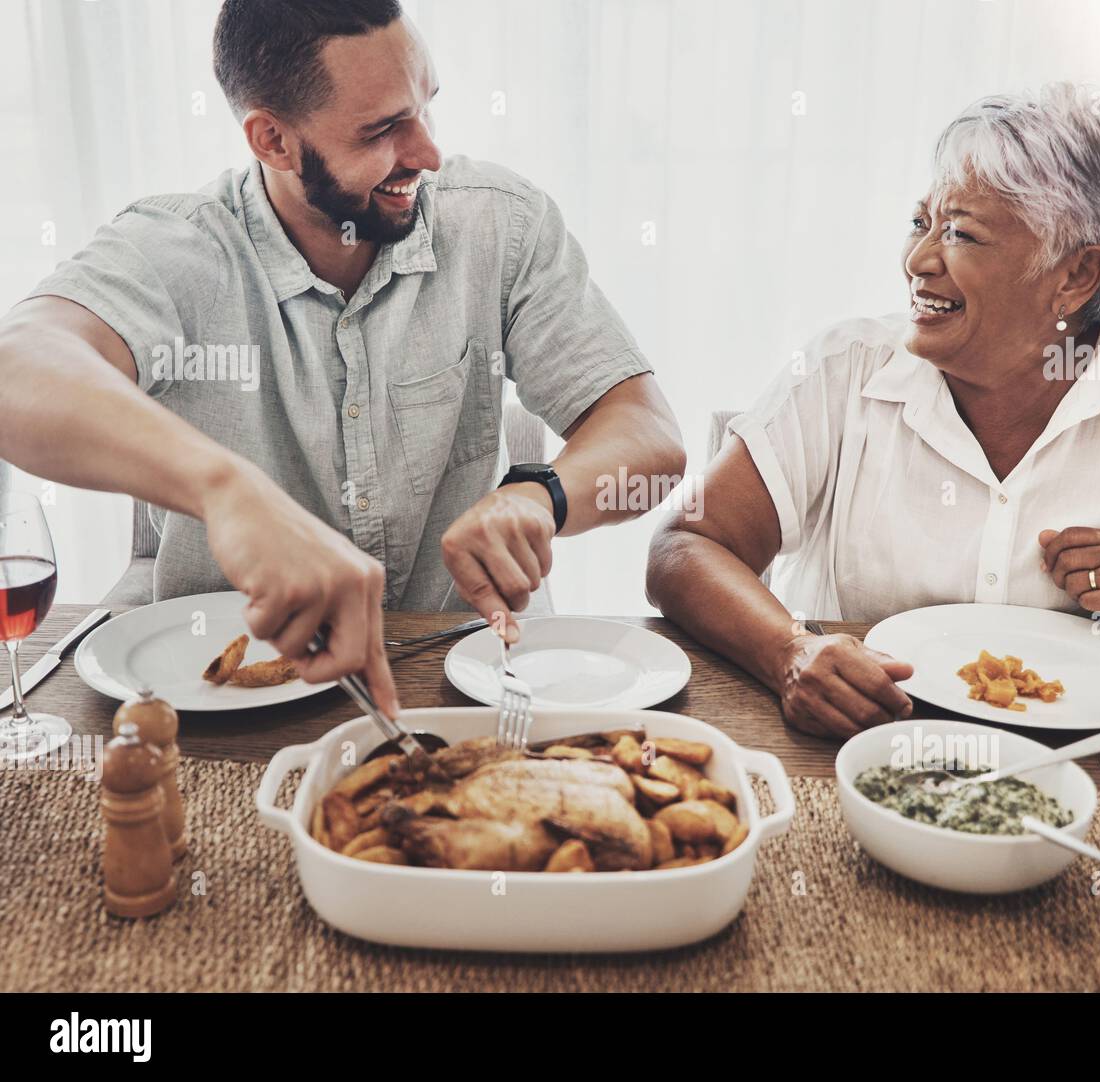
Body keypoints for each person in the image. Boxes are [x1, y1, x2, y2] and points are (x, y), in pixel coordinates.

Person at [0, 0, 685, 717]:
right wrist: (229, 493)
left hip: (466, 677)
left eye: (425, 108)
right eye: (384, 128)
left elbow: (649, 433)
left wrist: (541, 496)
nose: (427, 153)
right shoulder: (175, 251)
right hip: (220, 699)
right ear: (273, 140)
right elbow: (19, 366)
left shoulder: (500, 224)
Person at [647, 83, 1100, 741]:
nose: (917, 260)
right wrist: (789, 649)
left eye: (960, 234)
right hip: (859, 749)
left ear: (1075, 276)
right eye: (920, 222)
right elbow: (686, 545)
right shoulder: (845, 370)